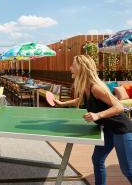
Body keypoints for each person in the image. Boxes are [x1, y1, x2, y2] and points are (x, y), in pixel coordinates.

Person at [54, 55, 132, 185]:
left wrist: (98, 115)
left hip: (121, 129)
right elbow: (81, 100)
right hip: (107, 129)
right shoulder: (86, 86)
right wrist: (63, 104)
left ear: (82, 68)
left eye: (73, 65)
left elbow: (119, 107)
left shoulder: (96, 87)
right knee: (97, 159)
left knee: (127, 170)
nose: (70, 67)